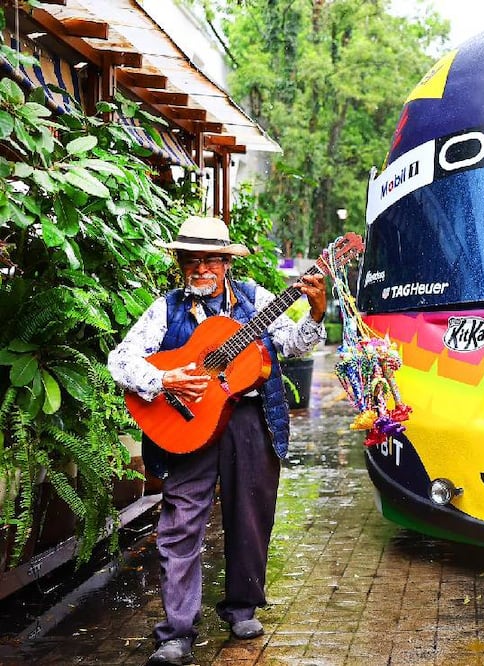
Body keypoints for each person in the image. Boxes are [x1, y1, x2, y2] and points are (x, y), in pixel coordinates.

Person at [107, 215, 326, 666]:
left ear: (226, 262)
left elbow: (292, 344)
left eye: (211, 259)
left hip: (248, 419)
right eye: (192, 259)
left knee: (250, 513)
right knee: (180, 523)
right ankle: (176, 632)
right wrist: (164, 379)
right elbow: (120, 360)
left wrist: (317, 313)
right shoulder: (164, 308)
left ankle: (243, 608)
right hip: (186, 427)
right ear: (181, 262)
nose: (201, 268)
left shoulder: (255, 301)